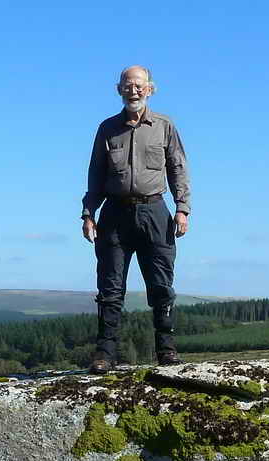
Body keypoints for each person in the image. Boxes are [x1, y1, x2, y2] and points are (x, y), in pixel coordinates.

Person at [80, 64, 190, 374]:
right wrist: (89, 214)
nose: (134, 90)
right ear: (119, 89)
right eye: (128, 85)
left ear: (151, 88)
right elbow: (96, 175)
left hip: (155, 211)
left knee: (161, 285)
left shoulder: (165, 126)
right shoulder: (107, 128)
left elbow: (178, 169)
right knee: (110, 288)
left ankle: (166, 350)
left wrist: (182, 208)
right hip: (114, 214)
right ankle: (105, 353)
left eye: (140, 85)